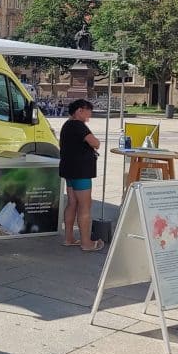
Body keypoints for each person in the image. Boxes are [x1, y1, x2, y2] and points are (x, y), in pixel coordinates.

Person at [59, 99, 102, 251]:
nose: (90, 114)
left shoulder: (67, 125)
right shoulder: (78, 125)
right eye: (88, 110)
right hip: (81, 171)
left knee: (72, 203)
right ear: (79, 111)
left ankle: (69, 238)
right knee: (85, 206)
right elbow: (95, 143)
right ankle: (86, 243)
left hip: (69, 170)